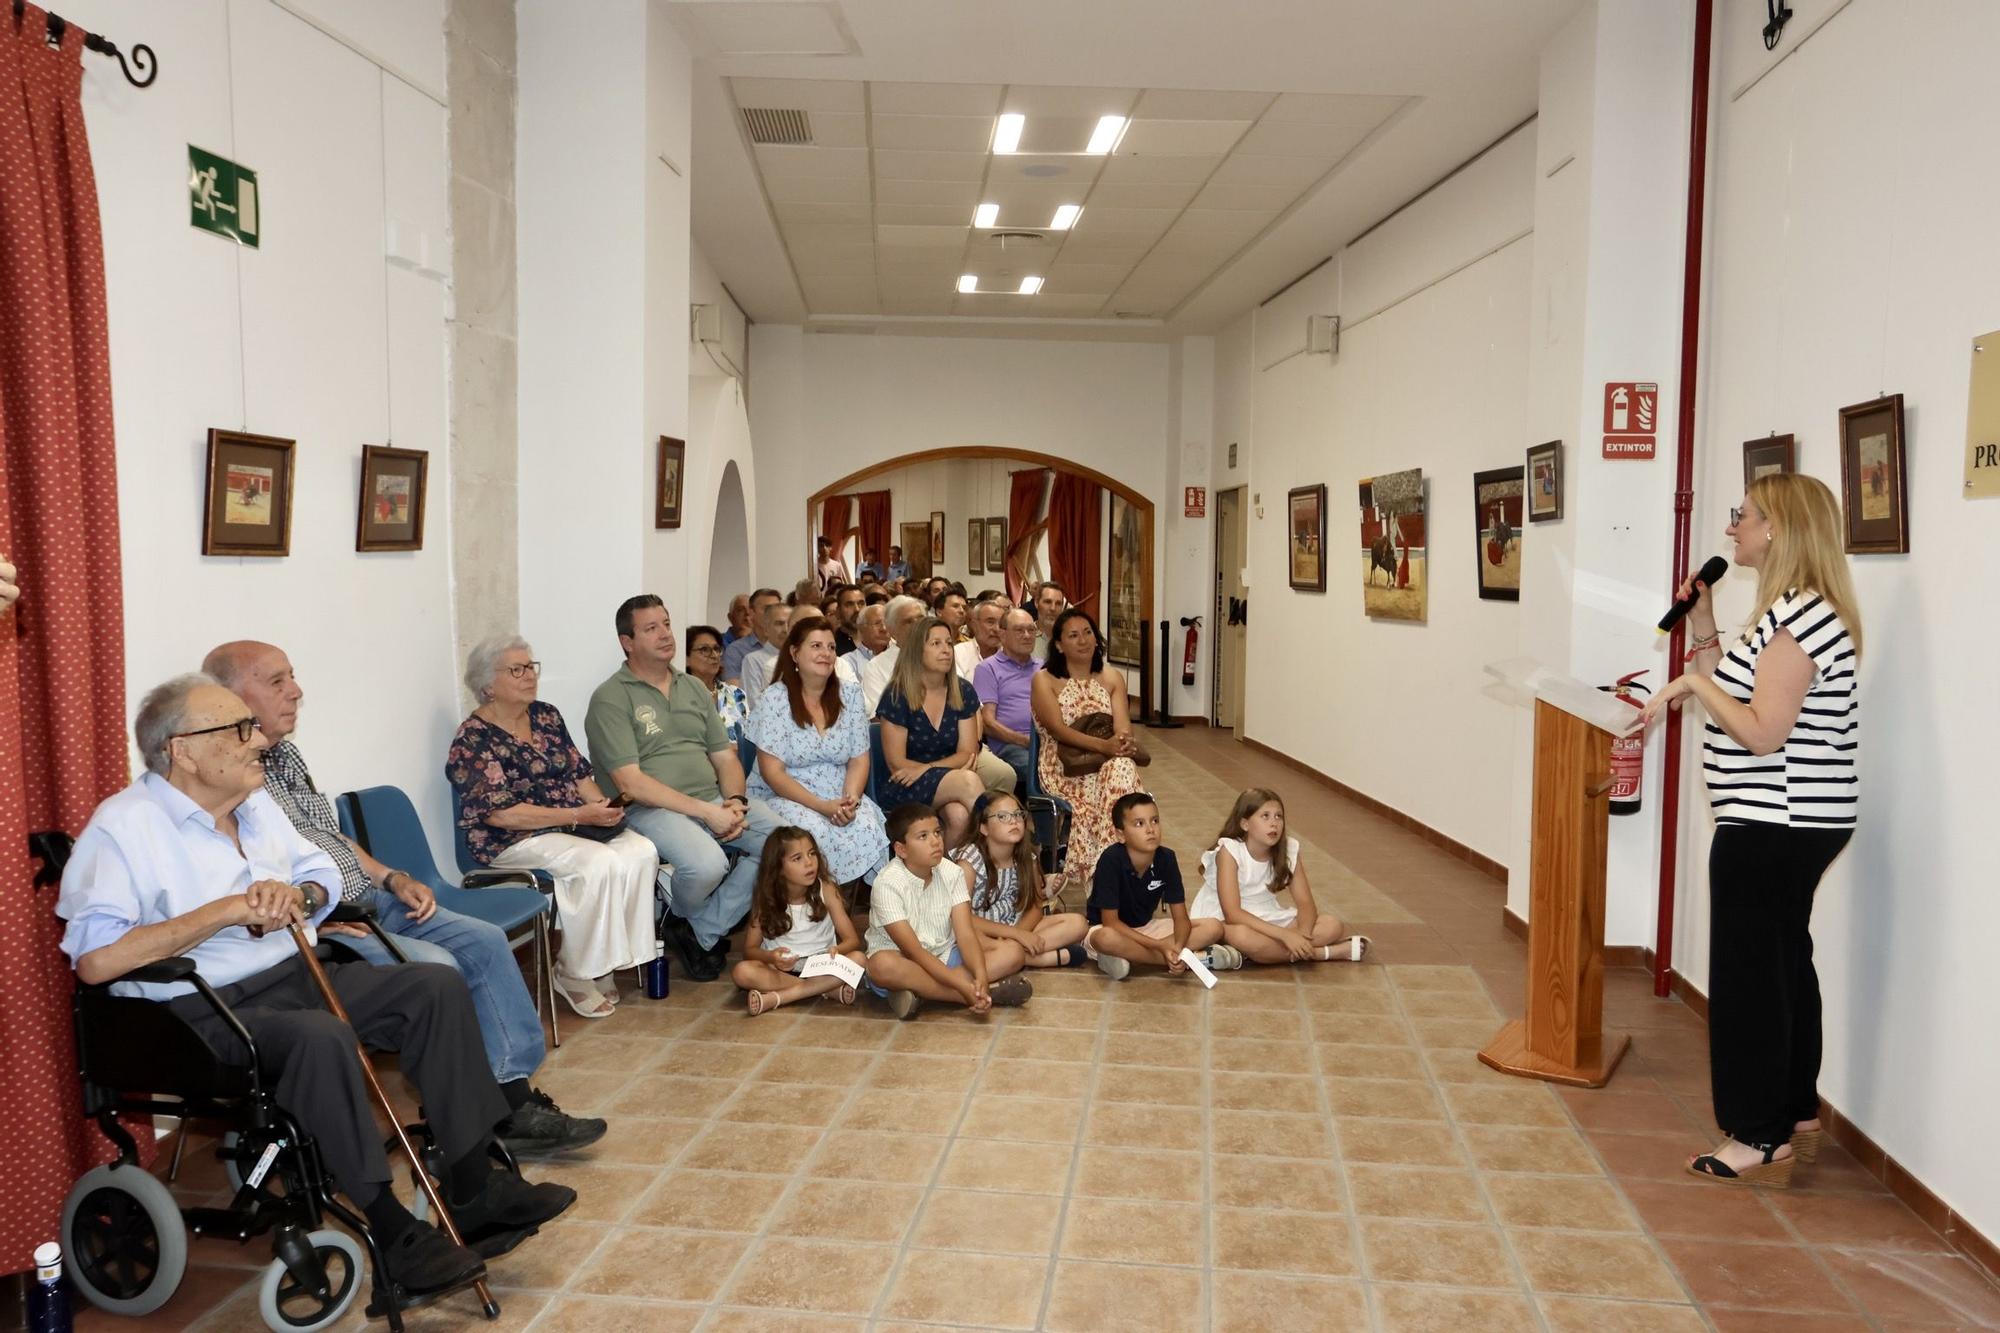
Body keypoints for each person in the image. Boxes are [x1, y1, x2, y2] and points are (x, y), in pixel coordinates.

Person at [61, 674, 575, 1292]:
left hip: (293, 972)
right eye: (239, 729)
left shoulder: (254, 807)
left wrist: (300, 895)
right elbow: (95, 960)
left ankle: (471, 1187)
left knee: (432, 988)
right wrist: (224, 912)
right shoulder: (122, 828)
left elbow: (322, 872)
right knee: (320, 1036)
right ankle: (393, 1234)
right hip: (198, 1013)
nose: (257, 741)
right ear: (184, 749)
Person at [205, 640, 602, 1156]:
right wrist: (316, 922)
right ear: (230, 699)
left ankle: (512, 1096)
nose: (296, 691)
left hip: (372, 899)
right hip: (331, 924)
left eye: (292, 677)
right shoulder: (226, 779)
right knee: (440, 969)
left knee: (483, 941)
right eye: (277, 682)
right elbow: (247, 878)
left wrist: (393, 877)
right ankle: (465, 1117)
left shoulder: (284, 755)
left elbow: (330, 837)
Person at [1634, 473, 1862, 1188]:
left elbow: (1761, 732)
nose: (1733, 527)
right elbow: (1737, 691)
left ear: (1780, 531)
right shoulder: (1783, 611)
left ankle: (1757, 1135)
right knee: (1784, 963)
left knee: (1750, 979)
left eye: (1745, 516)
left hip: (1777, 822)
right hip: (1780, 820)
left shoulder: (1802, 619)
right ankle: (1792, 1109)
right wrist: (1703, 626)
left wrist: (1690, 686)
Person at [448, 637, 659, 1020]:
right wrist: (578, 816)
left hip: (573, 823)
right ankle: (575, 972)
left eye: (531, 667)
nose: (529, 675)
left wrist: (599, 807)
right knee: (595, 863)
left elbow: (580, 774)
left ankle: (609, 960)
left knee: (640, 850)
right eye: (517, 669)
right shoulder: (472, 738)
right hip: (511, 838)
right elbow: (500, 814)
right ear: (488, 684)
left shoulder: (546, 715)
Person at [586, 595, 779, 982]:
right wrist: (708, 813)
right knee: (709, 866)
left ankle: (697, 927)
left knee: (784, 844)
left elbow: (725, 757)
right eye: (650, 628)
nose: (664, 635)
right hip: (647, 809)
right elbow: (631, 783)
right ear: (627, 641)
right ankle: (699, 923)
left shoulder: (693, 687)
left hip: (712, 799)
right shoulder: (611, 697)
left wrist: (736, 801)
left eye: (667, 624)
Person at [745, 617, 890, 888]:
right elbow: (772, 773)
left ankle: (841, 910)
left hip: (839, 791)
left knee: (867, 824)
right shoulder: (775, 698)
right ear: (794, 653)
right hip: (785, 793)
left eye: (831, 647)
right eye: (816, 646)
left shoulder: (850, 694)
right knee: (813, 832)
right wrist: (822, 807)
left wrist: (851, 801)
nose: (826, 653)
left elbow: (859, 759)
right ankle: (817, 911)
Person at [864, 803, 1030, 1019]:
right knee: (881, 966)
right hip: (905, 960)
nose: (935, 841)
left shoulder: (952, 872)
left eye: (937, 832)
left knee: (1014, 953)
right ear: (901, 849)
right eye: (923, 836)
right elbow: (914, 951)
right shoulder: (887, 883)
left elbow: (965, 934)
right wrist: (963, 987)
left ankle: (923, 994)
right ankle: (973, 994)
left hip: (945, 953)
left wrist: (979, 975)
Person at [1192, 788, 1369, 965]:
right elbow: (1233, 914)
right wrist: (1285, 936)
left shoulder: (1288, 849)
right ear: (1245, 824)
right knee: (1243, 936)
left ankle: (1268, 952)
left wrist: (1302, 936)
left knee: (1332, 925)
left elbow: (1306, 904)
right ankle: (1320, 953)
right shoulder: (1230, 851)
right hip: (1225, 919)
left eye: (1279, 816)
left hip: (1266, 915)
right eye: (1265, 816)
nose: (1274, 823)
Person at [875, 618, 1012, 847]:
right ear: (917, 651)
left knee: (959, 817)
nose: (946, 650)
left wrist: (927, 769)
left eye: (949, 643)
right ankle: (1004, 850)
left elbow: (967, 753)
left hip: (943, 776)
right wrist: (935, 771)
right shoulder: (897, 694)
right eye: (936, 644)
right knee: (969, 780)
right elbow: (897, 764)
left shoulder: (962, 690)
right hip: (906, 785)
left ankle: (951, 879)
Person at [1032, 608, 1142, 883]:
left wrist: (1121, 743)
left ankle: (1106, 874)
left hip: (1107, 763)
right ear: (1058, 644)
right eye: (1073, 635)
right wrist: (1104, 747)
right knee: (1118, 789)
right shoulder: (1044, 680)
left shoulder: (1112, 677)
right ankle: (1120, 869)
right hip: (1065, 766)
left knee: (1121, 768)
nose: (1083, 640)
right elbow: (1058, 730)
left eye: (1088, 633)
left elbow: (1122, 727)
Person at [1085, 792, 1235, 979]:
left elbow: (1181, 918)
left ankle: (1135, 958)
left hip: (1147, 927)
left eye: (1154, 821)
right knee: (1105, 939)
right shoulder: (1110, 860)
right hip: (1110, 930)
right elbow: (1111, 923)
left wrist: (1177, 946)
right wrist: (1160, 946)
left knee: (1213, 927)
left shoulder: (1167, 858)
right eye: (1139, 823)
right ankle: (1191, 959)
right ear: (1121, 835)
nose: (1150, 829)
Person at [731, 827, 868, 1015]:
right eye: (797, 858)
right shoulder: (766, 897)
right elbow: (750, 950)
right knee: (742, 972)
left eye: (812, 854)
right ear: (777, 868)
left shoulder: (826, 889)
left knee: (859, 959)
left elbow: (852, 940)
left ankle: (778, 998)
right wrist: (772, 957)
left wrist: (837, 950)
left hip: (822, 967)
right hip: (780, 971)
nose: (809, 863)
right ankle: (825, 989)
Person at [953, 792, 1087, 968]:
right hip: (980, 933)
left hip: (1014, 926)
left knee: (1078, 924)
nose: (1013, 821)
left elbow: (1035, 907)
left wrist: (1020, 934)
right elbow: (962, 919)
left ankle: (1013, 956)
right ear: (983, 827)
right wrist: (1015, 935)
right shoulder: (968, 862)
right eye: (1002, 816)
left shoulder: (1026, 858)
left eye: (1018, 814)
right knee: (967, 937)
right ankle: (1039, 958)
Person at [975, 608, 1042, 793]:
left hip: (1047, 743)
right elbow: (988, 723)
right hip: (1010, 747)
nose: (1027, 636)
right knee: (1041, 771)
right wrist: (1027, 741)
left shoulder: (1043, 667)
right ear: (1002, 635)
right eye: (1020, 630)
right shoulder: (988, 669)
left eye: (1031, 630)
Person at [861, 593, 929, 715]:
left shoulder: (941, 656)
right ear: (892, 630)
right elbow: (881, 716)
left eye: (920, 619)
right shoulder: (876, 667)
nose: (917, 625)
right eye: (908, 621)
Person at [683, 623, 752, 741]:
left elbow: (749, 739)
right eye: (704, 650)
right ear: (687, 659)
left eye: (717, 649)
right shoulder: (680, 695)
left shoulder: (736, 694)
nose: (714, 655)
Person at [738, 595, 794, 701]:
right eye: (779, 624)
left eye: (790, 624)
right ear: (766, 629)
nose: (786, 630)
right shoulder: (752, 660)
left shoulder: (801, 658)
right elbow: (753, 703)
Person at [724, 588, 781, 683]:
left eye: (777, 608)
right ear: (751, 613)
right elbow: (735, 691)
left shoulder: (790, 647)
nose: (774, 613)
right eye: (767, 609)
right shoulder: (736, 650)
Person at [954, 596, 1004, 679]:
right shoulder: (958, 653)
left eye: (1001, 623)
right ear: (974, 625)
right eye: (990, 622)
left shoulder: (1011, 655)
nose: (996, 629)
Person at [841, 601, 891, 682]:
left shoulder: (900, 655)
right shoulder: (847, 662)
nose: (884, 628)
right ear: (861, 628)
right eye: (877, 623)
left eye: (886, 622)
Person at [1032, 579, 1067, 659]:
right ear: (1037, 602)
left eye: (1058, 603)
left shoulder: (1068, 639)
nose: (1053, 608)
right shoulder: (1024, 636)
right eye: (1048, 602)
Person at [831, 582, 865, 656]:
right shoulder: (832, 645)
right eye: (849, 604)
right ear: (838, 612)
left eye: (861, 604)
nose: (857, 609)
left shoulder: (877, 639)